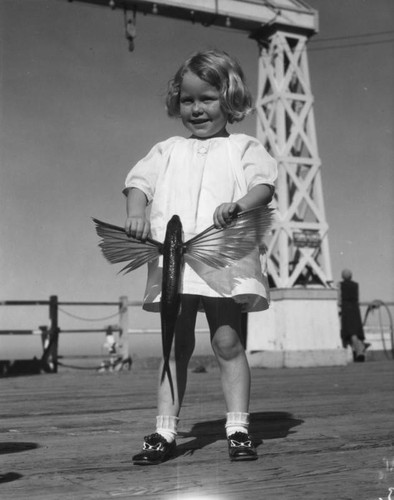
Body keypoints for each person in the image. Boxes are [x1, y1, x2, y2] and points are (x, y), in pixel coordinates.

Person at [123, 49, 277, 465]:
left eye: (207, 98)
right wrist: (136, 211)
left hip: (222, 259)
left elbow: (264, 186)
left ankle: (238, 427)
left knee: (227, 342)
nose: (197, 109)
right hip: (174, 259)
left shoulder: (243, 147)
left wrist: (240, 205)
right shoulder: (167, 149)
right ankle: (164, 430)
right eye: (188, 100)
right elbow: (138, 183)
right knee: (176, 344)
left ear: (228, 98)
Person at [338, 269, 368, 362]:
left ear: (342, 277)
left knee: (350, 332)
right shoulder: (356, 285)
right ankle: (360, 351)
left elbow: (339, 299)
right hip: (355, 308)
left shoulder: (340, 285)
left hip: (346, 309)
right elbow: (357, 297)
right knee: (355, 331)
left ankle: (359, 352)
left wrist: (339, 306)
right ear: (351, 276)